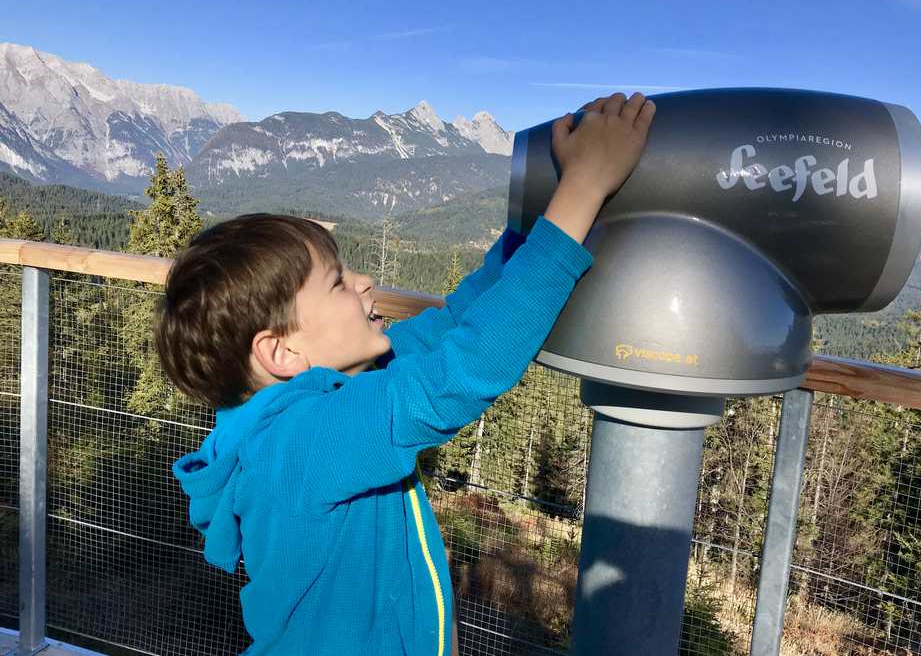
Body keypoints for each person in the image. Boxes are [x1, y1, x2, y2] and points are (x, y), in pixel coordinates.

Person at [156, 91, 656, 655]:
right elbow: (461, 372)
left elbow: (449, 332)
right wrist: (584, 189)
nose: (365, 282)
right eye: (338, 283)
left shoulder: (306, 403)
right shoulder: (302, 441)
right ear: (282, 354)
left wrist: (532, 227)